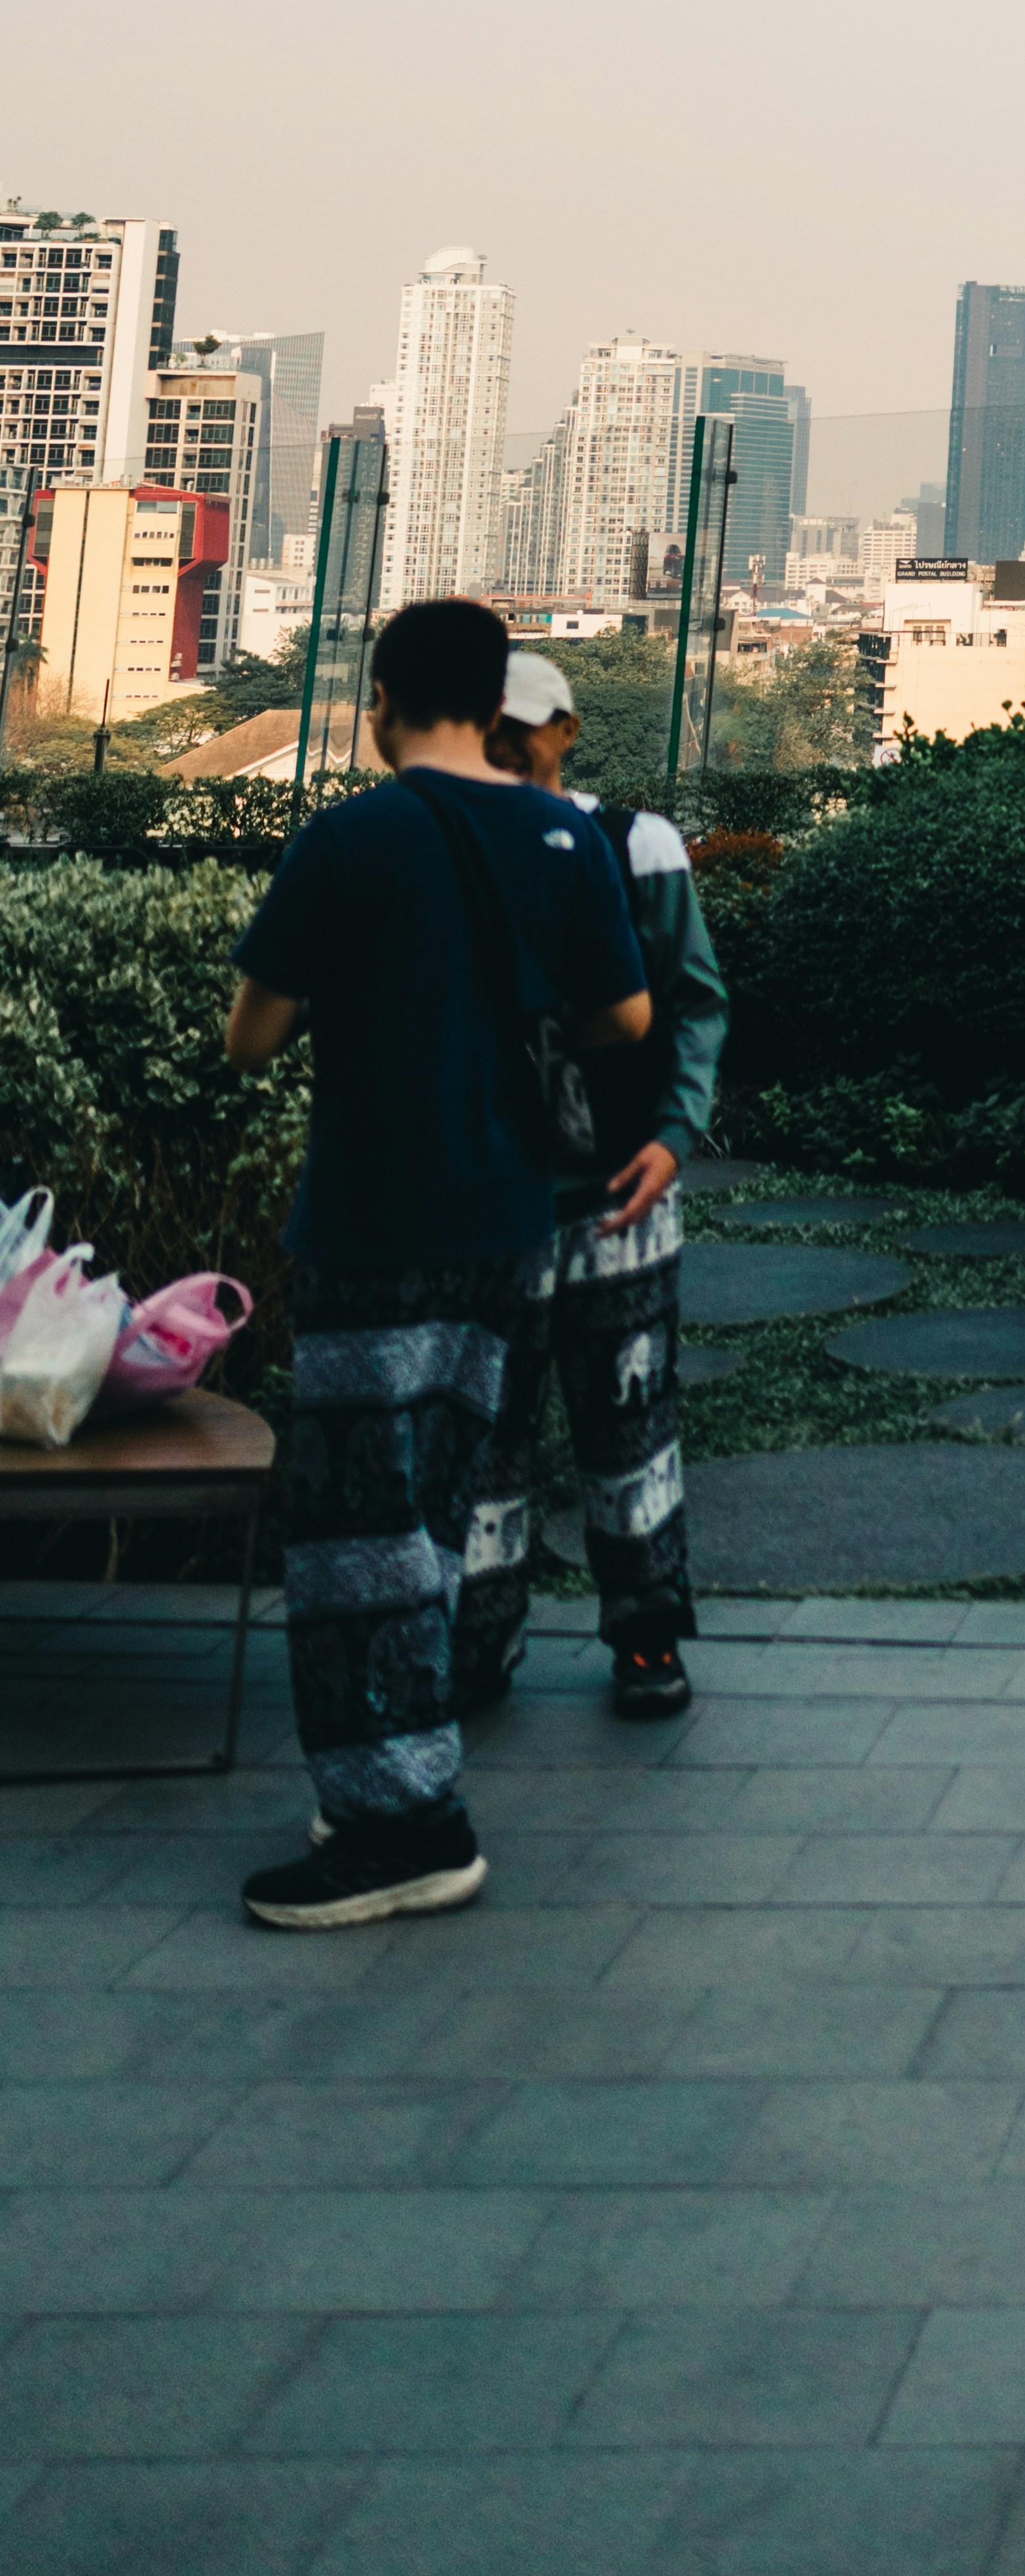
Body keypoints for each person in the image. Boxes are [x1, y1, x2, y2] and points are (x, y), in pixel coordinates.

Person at [223, 594, 648, 1928]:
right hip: (511, 1222)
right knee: (431, 1514)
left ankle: (400, 1824)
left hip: (374, 1217)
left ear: (384, 695)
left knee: (353, 1531)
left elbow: (251, 1033)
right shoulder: (563, 833)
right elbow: (625, 1012)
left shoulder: (350, 836)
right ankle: (397, 1777)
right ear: (495, 701)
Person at [469, 648, 732, 1726]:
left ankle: (644, 1633)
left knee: (627, 1420)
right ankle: (476, 1637)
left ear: (566, 729)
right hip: (491, 1196)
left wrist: (675, 1133)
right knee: (486, 1429)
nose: (510, 741)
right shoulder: (454, 848)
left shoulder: (638, 845)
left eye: (527, 724)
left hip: (620, 1186)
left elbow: (697, 1001)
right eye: (491, 722)